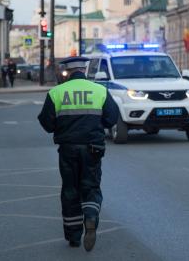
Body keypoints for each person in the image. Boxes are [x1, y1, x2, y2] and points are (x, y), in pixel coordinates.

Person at [38, 56, 119, 252]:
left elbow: (47, 124)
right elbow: (111, 118)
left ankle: (74, 236)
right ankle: (90, 217)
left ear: (66, 71)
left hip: (68, 149)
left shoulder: (56, 92)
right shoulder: (100, 90)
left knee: (70, 190)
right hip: (93, 148)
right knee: (90, 186)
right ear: (84, 70)